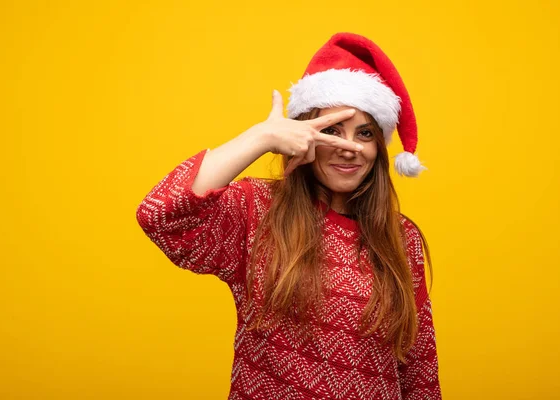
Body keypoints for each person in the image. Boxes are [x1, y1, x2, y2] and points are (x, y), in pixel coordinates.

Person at [136, 32, 441, 399]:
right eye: (331, 131)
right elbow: (160, 214)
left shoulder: (400, 236)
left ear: (379, 146)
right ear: (303, 135)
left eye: (364, 133)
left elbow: (419, 364)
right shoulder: (258, 211)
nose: (349, 148)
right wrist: (260, 137)